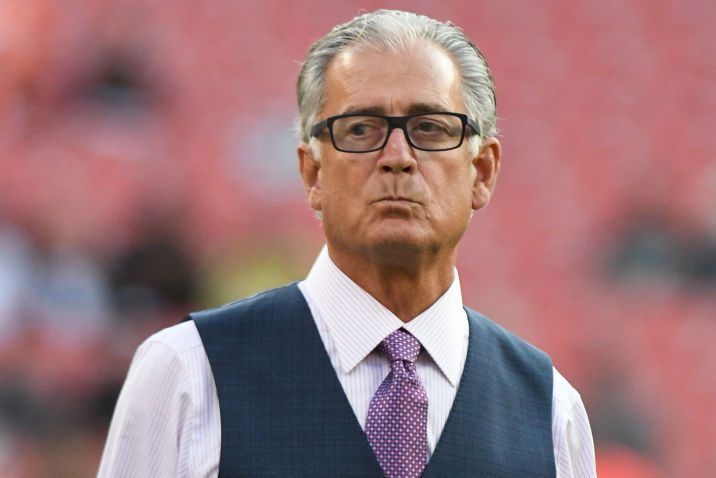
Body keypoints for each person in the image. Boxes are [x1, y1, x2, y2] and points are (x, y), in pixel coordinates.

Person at [98, 9, 596, 478]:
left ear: (482, 172)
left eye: (429, 128)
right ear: (312, 173)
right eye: (360, 129)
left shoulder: (551, 411)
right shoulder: (190, 372)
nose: (397, 156)